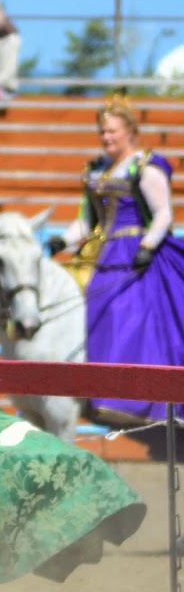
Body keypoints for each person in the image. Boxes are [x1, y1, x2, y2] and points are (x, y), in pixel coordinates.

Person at [48, 96, 184, 426]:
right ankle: (105, 396)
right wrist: (62, 241)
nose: (106, 137)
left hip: (137, 254)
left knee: (128, 315)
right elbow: (87, 222)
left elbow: (164, 214)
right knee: (94, 311)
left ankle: (137, 398)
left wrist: (147, 246)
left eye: (112, 131)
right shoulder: (96, 171)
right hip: (105, 254)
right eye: (102, 132)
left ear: (130, 131)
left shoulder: (146, 167)